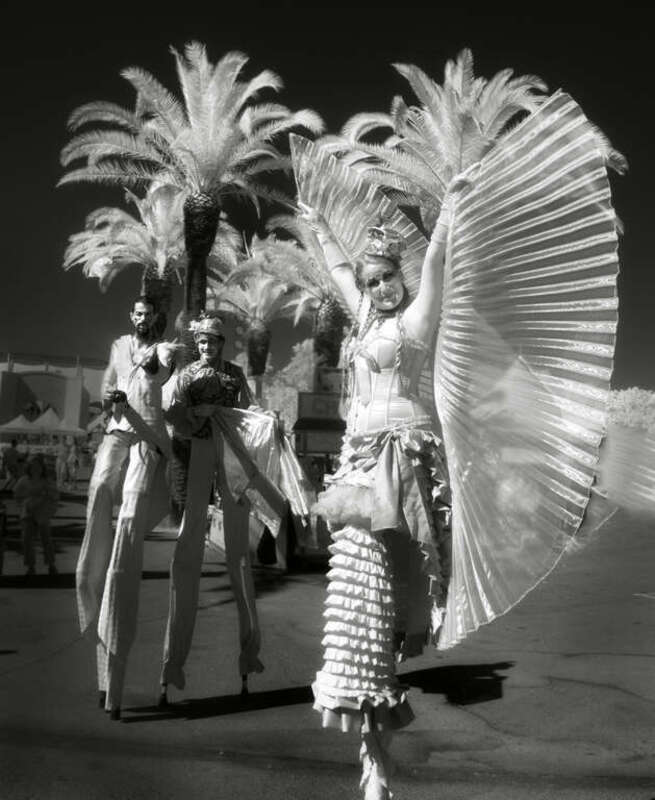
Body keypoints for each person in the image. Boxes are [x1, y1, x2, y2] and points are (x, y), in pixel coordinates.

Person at [159, 314, 279, 706]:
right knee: (188, 542)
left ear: (221, 342)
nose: (208, 346)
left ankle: (249, 655)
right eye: (203, 341)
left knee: (238, 553)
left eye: (213, 340)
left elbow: (252, 410)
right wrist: (196, 416)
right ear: (198, 342)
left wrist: (269, 418)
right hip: (200, 451)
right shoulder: (186, 371)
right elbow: (170, 411)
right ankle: (171, 663)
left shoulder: (234, 373)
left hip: (230, 453)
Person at [76, 296, 174, 720]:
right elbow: (106, 387)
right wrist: (110, 398)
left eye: (146, 313)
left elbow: (161, 373)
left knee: (130, 519)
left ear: (156, 318)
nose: (139, 318)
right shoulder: (118, 346)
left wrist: (151, 364)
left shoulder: (165, 349)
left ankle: (112, 686)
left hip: (148, 438)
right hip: (118, 431)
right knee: (99, 488)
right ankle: (89, 576)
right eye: (134, 312)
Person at [14, 454, 59, 576]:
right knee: (27, 541)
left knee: (46, 540)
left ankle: (51, 564)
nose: (35, 468)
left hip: (42, 513)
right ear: (29, 467)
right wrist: (25, 504)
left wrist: (45, 500)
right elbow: (17, 495)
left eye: (37, 466)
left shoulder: (47, 481)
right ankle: (30, 566)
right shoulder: (24, 480)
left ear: (42, 467)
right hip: (28, 514)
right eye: (33, 466)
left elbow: (54, 496)